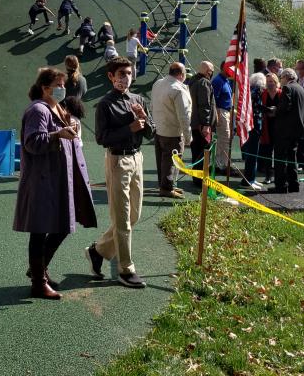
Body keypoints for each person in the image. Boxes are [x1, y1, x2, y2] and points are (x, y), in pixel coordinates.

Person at [14, 68, 97, 300]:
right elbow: (32, 142)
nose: (63, 89)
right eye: (58, 85)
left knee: (62, 225)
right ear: (45, 87)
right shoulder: (38, 110)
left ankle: (38, 269)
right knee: (40, 231)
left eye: (63, 85)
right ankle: (38, 283)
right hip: (42, 180)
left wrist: (69, 130)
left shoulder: (57, 108)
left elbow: (63, 135)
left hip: (57, 178)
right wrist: (58, 134)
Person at [86, 57, 155, 289]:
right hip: (117, 160)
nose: (126, 77)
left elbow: (151, 134)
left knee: (134, 215)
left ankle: (98, 251)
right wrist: (129, 128)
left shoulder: (138, 100)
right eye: (121, 73)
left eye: (129, 72)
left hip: (137, 159)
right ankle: (126, 269)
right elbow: (101, 138)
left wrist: (144, 119)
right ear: (111, 77)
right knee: (122, 218)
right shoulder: (105, 104)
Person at [151, 62, 193, 199]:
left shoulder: (158, 83)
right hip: (173, 132)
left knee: (162, 160)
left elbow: (151, 105)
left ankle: (165, 185)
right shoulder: (179, 90)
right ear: (181, 74)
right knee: (172, 161)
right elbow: (184, 116)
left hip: (159, 129)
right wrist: (188, 137)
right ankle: (167, 188)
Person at [271, 68, 304, 194]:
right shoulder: (301, 88)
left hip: (285, 130)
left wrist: (275, 109)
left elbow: (285, 107)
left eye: (281, 78)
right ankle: (293, 184)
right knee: (292, 158)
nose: (281, 80)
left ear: (286, 77)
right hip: (297, 129)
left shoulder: (287, 88)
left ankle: (281, 186)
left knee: (280, 158)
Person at [187, 61, 216, 188]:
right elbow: (205, 105)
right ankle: (203, 181)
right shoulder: (204, 82)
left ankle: (197, 179)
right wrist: (206, 124)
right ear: (208, 71)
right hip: (201, 125)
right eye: (211, 70)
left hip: (194, 124)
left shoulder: (192, 81)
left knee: (196, 152)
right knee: (204, 153)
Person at [240, 72, 266, 191]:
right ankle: (248, 180)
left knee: (252, 154)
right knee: (252, 154)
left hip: (251, 125)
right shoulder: (257, 91)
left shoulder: (250, 90)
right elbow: (258, 108)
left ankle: (251, 178)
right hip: (254, 126)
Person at [210, 67, 235, 178]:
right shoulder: (218, 81)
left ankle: (220, 163)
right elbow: (213, 99)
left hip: (226, 111)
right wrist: (217, 115)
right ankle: (223, 164)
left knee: (224, 139)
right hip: (221, 111)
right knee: (224, 138)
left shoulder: (226, 80)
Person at [259, 73, 281, 184]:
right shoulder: (263, 94)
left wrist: (276, 111)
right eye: (268, 82)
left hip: (279, 128)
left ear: (276, 82)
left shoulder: (281, 93)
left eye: (272, 81)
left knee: (279, 153)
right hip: (267, 128)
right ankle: (268, 176)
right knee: (267, 153)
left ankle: (279, 176)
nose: (270, 84)